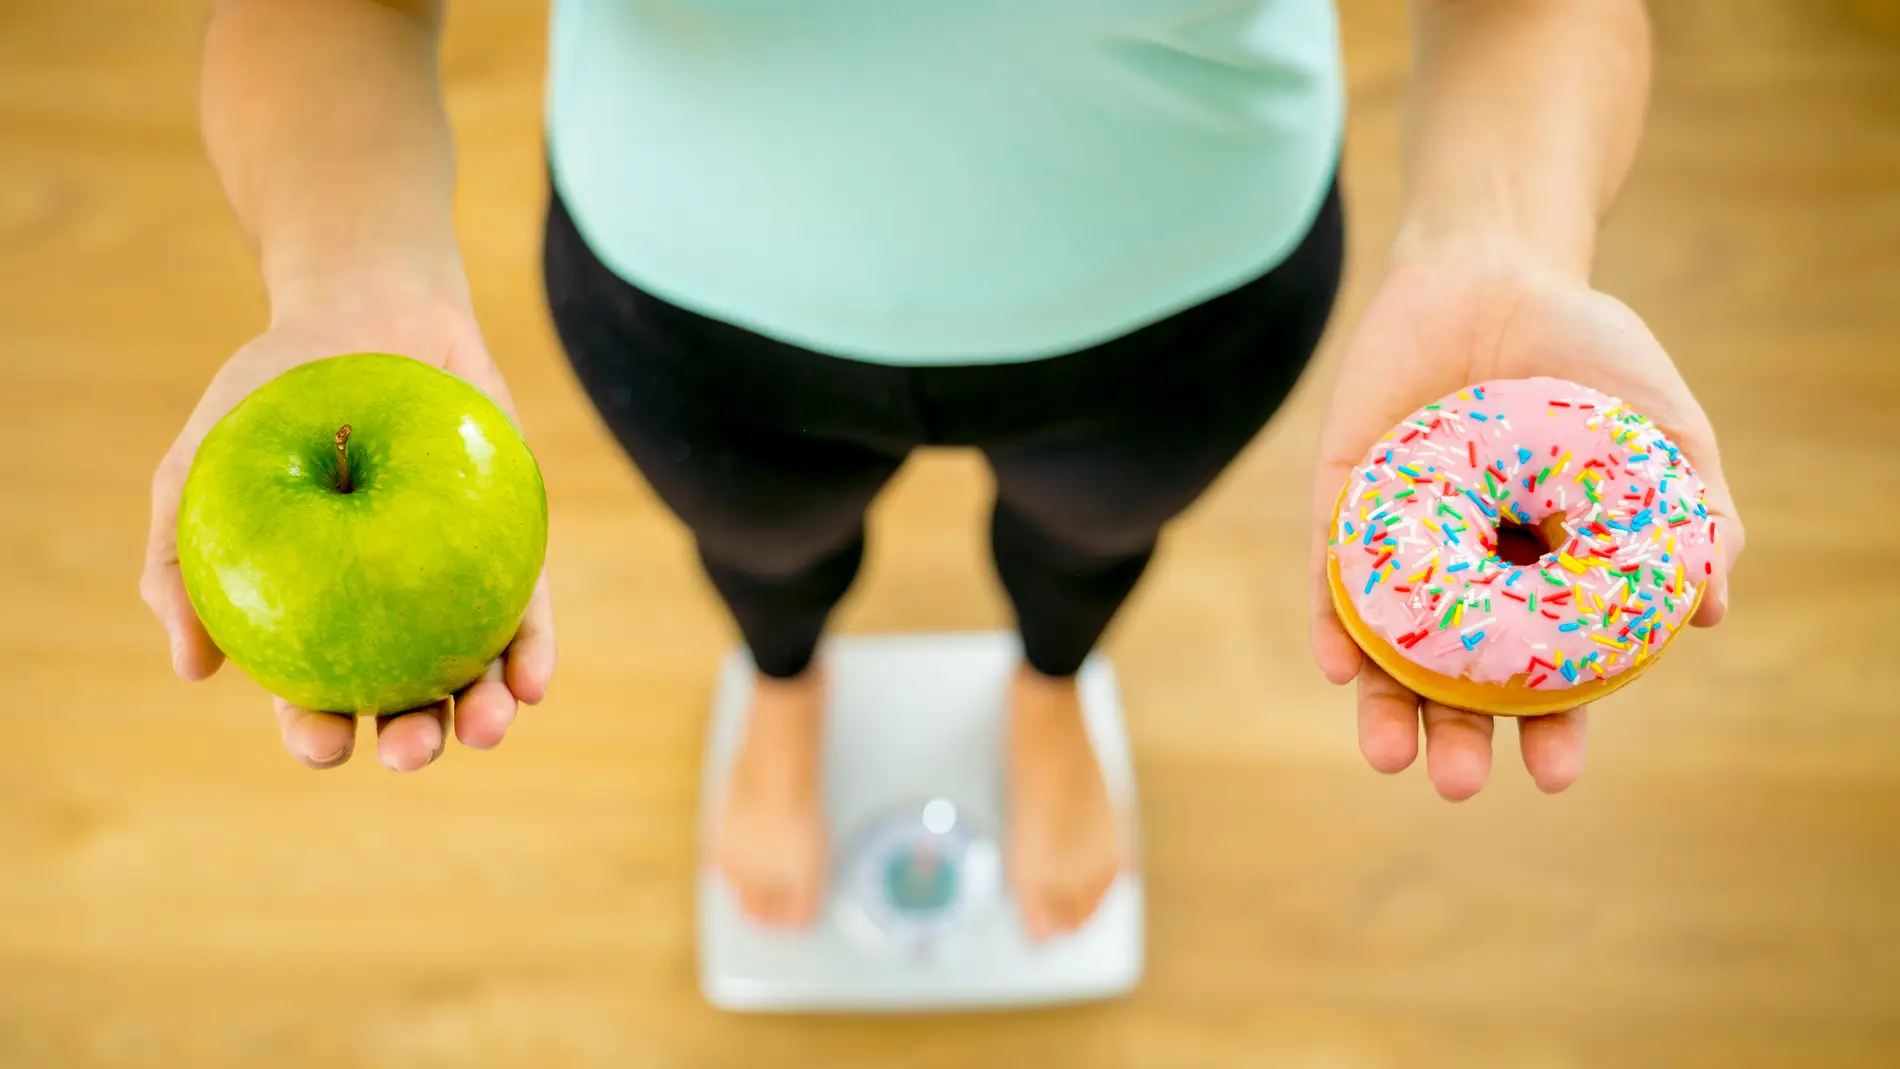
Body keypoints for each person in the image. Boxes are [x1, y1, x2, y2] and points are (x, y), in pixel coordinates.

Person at [141, 0, 1743, 939]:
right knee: (761, 547)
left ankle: (1050, 687)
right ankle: (782, 686)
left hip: (1188, 297)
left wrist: (1508, 238)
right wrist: (346, 277)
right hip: (686, 299)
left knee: (1094, 539)